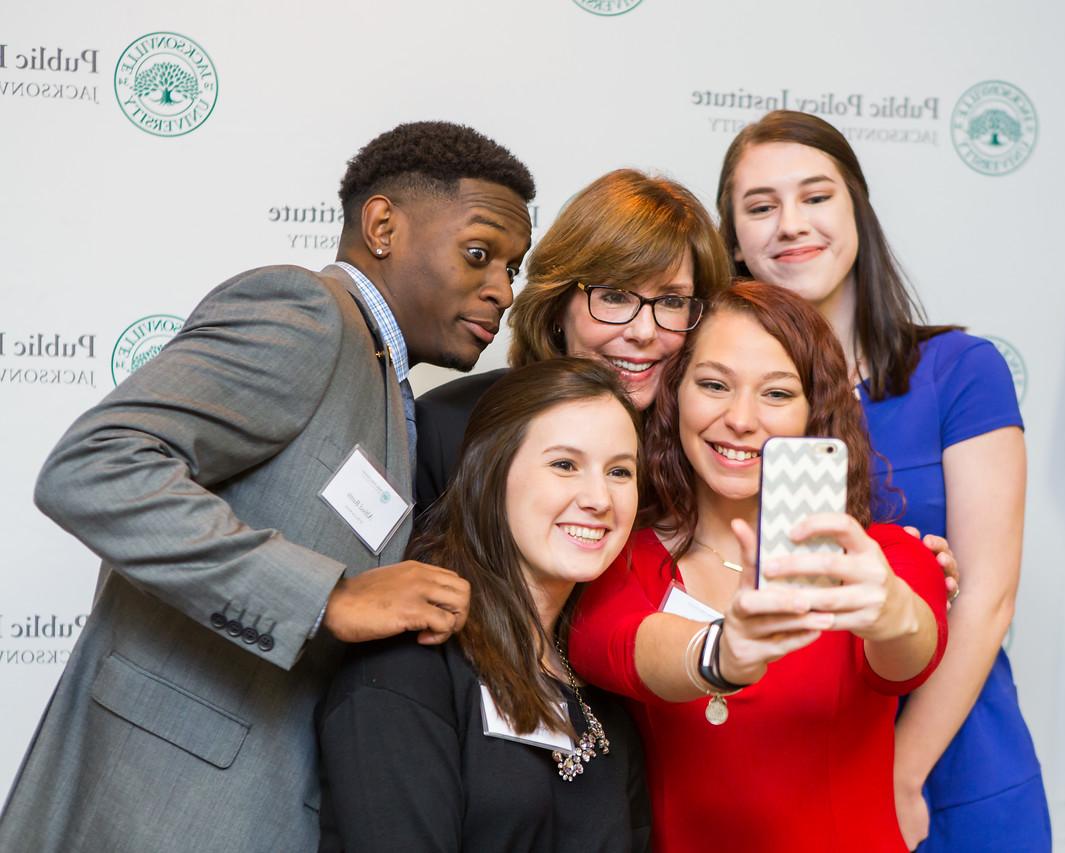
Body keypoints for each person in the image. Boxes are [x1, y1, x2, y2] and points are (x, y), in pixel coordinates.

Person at [0, 121, 534, 853]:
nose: (501, 290)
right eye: (480, 254)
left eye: (515, 268)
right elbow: (95, 465)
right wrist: (327, 596)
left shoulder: (383, 382)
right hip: (160, 808)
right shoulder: (307, 314)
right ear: (382, 225)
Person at [716, 110, 1049, 850]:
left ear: (857, 207)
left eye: (815, 196)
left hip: (950, 761)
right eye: (760, 207)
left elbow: (988, 597)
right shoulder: (713, 404)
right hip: (783, 762)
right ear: (733, 239)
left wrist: (900, 774)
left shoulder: (960, 371)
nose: (790, 224)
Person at [570, 282, 949, 852]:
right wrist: (721, 653)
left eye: (776, 394)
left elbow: (911, 657)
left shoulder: (884, 558)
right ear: (675, 395)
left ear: (815, 410)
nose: (741, 419)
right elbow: (613, 645)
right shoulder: (620, 558)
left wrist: (892, 612)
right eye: (714, 385)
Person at [317, 358, 651, 852]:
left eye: (620, 471)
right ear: (489, 472)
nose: (600, 498)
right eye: (565, 465)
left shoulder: (602, 695)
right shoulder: (410, 666)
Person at [415, 168, 732, 507]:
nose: (643, 332)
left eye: (672, 302)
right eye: (614, 297)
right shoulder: (449, 431)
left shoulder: (712, 448)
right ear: (557, 305)